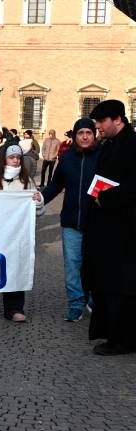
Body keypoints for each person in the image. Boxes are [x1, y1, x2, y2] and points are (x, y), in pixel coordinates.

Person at [82, 100, 136, 356]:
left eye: (101, 122)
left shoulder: (132, 145)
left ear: (117, 120)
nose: (98, 128)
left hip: (124, 229)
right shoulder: (109, 145)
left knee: (122, 285)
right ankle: (113, 334)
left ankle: (122, 340)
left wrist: (107, 197)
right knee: (107, 282)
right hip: (106, 228)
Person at [0, 144, 44, 322]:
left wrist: (37, 201)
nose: (15, 160)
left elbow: (38, 211)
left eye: (18, 158)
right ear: (4, 159)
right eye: (11, 157)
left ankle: (14, 308)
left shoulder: (27, 182)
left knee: (15, 268)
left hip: (16, 235)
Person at [41, 119, 99, 322]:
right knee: (73, 265)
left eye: (88, 133)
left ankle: (93, 299)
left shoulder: (103, 157)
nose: (84, 136)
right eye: (81, 133)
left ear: (94, 135)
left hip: (97, 223)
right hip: (71, 221)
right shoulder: (66, 159)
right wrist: (39, 200)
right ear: (74, 136)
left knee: (94, 264)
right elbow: (55, 185)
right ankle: (75, 303)